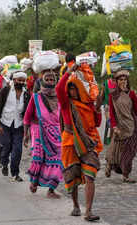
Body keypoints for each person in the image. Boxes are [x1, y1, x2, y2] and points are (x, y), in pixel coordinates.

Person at [56, 63, 103, 222]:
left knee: (90, 175)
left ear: (80, 89)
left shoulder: (88, 105)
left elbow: (96, 122)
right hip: (70, 143)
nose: (71, 91)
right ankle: (76, 205)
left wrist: (97, 108)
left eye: (74, 88)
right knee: (73, 178)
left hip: (88, 143)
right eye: (69, 89)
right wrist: (69, 72)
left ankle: (88, 211)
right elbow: (58, 89)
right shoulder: (65, 104)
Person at [23, 71, 63, 199]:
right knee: (39, 158)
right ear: (43, 81)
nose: (51, 80)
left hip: (56, 133)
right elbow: (27, 116)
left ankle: (51, 189)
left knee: (57, 160)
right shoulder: (36, 97)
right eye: (48, 79)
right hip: (38, 131)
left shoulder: (59, 97)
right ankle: (34, 182)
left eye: (53, 79)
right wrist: (26, 134)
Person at [104, 70, 137, 183]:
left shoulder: (131, 94)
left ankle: (125, 173)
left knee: (130, 151)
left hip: (130, 126)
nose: (123, 82)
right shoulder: (113, 95)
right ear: (117, 81)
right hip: (119, 127)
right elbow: (112, 113)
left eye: (125, 80)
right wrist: (114, 126)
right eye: (120, 80)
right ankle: (115, 168)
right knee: (116, 150)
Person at [0, 71, 30, 182]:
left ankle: (15, 173)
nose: (21, 82)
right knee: (6, 146)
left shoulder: (27, 94)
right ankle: (4, 163)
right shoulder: (6, 91)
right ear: (14, 80)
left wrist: (27, 130)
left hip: (19, 126)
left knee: (17, 150)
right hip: (5, 124)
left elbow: (28, 112)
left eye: (23, 80)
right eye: (19, 80)